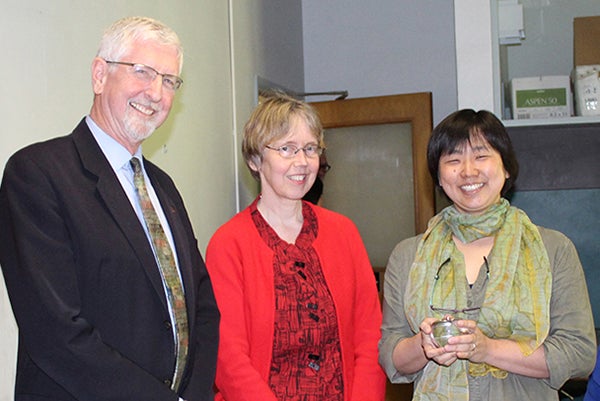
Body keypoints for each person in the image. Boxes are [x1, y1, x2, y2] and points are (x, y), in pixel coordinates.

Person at [0, 16, 219, 401]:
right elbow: (56, 333)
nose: (156, 92)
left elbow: (201, 308)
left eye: (169, 81)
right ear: (99, 75)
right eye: (142, 72)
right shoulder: (37, 174)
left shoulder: (163, 188)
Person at [378, 109, 596, 400]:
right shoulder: (408, 256)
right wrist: (423, 345)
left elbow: (579, 353)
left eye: (481, 156)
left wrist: (487, 349)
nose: (468, 170)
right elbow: (390, 357)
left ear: (506, 168)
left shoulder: (553, 249)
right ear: (439, 177)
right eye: (453, 160)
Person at [205, 92, 386, 401]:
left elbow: (369, 339)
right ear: (255, 159)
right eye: (287, 149)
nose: (302, 162)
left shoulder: (344, 233)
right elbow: (228, 358)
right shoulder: (229, 245)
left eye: (310, 149)